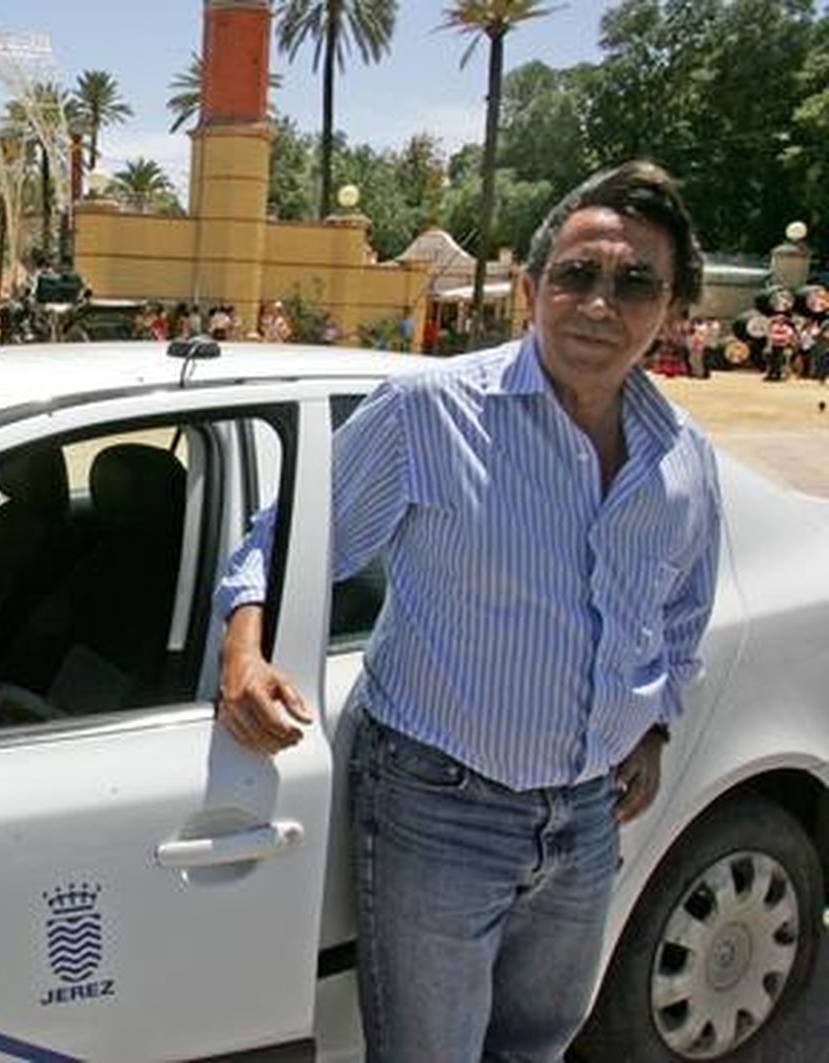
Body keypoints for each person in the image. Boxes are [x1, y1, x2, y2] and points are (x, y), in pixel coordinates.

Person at [215, 161, 721, 1063]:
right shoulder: (430, 413)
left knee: (535, 1047)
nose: (600, 305)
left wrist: (652, 730)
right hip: (438, 807)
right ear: (532, 288)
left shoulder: (682, 456)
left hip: (588, 817)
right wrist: (241, 657)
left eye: (635, 282)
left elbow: (681, 609)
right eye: (576, 275)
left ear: (675, 306)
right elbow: (280, 540)